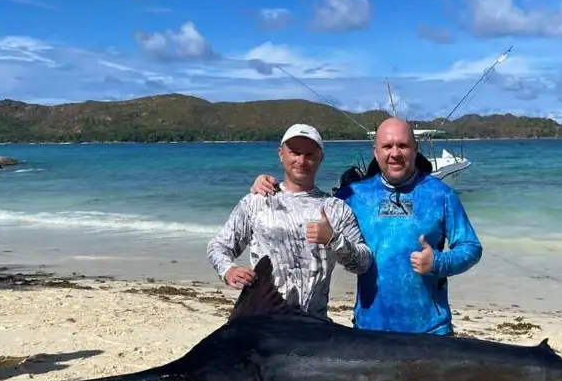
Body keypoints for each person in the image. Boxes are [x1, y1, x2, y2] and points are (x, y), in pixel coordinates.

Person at [249, 117, 483, 335]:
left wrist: (439, 262)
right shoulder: (354, 195)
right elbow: (308, 200)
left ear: (415, 149)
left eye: (402, 146)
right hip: (369, 331)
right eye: (387, 146)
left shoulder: (441, 194)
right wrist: (271, 186)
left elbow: (471, 247)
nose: (395, 154)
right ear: (375, 151)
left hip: (431, 331)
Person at [207, 123, 373, 320]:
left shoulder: (336, 208)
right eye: (295, 152)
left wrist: (334, 240)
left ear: (321, 157)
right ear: (281, 154)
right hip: (262, 321)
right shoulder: (258, 200)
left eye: (310, 154)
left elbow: (363, 263)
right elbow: (218, 246)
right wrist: (228, 269)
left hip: (313, 324)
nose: (301, 160)